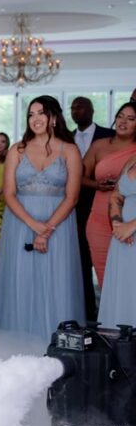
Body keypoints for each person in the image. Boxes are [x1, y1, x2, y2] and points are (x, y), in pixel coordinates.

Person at [0, 96, 84, 340]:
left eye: (41, 113)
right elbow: (9, 194)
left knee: (55, 281)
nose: (35, 119)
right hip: (20, 223)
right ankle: (17, 340)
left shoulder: (70, 150)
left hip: (59, 225)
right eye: (31, 114)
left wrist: (47, 230)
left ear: (53, 117)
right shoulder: (17, 150)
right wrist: (34, 226)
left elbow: (72, 197)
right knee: (21, 280)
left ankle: (55, 340)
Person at [81, 102, 136, 287]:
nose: (123, 122)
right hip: (98, 220)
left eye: (131, 119)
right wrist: (97, 184)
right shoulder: (99, 145)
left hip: (130, 220)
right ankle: (109, 316)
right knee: (105, 279)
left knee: (128, 281)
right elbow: (79, 176)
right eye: (120, 116)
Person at [71, 96, 115, 318]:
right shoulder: (66, 138)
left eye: (79, 107)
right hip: (74, 206)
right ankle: (87, 309)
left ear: (91, 110)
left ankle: (111, 307)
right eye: (72, 108)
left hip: (106, 203)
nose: (75, 111)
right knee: (79, 260)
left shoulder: (109, 135)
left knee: (108, 259)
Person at [97, 152, 136, 327]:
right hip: (122, 238)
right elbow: (116, 195)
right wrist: (117, 223)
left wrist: (132, 226)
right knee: (125, 290)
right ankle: (124, 346)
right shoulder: (133, 158)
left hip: (130, 231)